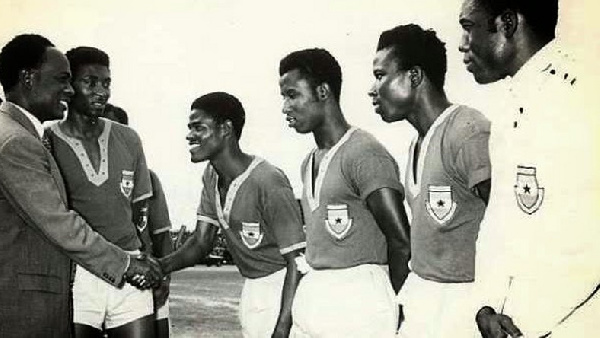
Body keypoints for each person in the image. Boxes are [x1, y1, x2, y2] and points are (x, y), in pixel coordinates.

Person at [0, 34, 161, 338]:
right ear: (28, 79)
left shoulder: (21, 135)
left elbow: (142, 213)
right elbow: (59, 223)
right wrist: (127, 264)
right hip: (35, 299)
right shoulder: (18, 141)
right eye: (63, 79)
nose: (70, 89)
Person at [458, 0, 600, 337]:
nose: (463, 44)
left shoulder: (583, 95)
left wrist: (529, 320)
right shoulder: (511, 105)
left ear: (507, 23)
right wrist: (485, 305)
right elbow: (502, 220)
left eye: (469, 27)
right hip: (520, 319)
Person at [368, 24, 491, 337]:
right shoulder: (417, 143)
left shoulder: (468, 131)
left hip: (464, 305)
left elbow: (510, 224)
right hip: (424, 299)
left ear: (414, 76)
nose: (373, 89)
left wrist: (489, 302)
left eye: (381, 75)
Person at [279, 48, 411, 337]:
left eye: (292, 95)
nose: (285, 108)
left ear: (323, 91)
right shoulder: (308, 162)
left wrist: (403, 311)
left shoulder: (365, 153)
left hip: (359, 302)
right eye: (284, 98)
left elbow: (401, 240)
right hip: (314, 293)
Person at [159, 92, 306, 338]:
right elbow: (201, 242)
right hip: (252, 288)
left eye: (199, 128)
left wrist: (283, 327)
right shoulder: (211, 175)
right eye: (190, 128)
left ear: (226, 128)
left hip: (285, 290)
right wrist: (160, 266)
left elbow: (297, 261)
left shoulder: (268, 180)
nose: (190, 135)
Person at [43, 46, 158, 337]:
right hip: (78, 274)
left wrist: (152, 264)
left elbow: (140, 213)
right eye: (90, 82)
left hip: (132, 269)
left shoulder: (128, 138)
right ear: (69, 87)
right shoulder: (47, 140)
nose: (101, 92)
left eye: (106, 83)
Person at [103, 102, 174, 338]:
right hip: (100, 279)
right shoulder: (84, 179)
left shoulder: (148, 178)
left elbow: (162, 235)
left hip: (143, 280)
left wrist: (164, 279)